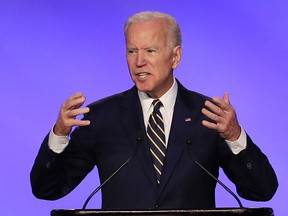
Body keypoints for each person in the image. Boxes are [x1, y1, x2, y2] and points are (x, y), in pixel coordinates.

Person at [30, 11, 278, 210]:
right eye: (131, 51)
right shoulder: (101, 117)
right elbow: (48, 190)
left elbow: (262, 191)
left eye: (150, 50)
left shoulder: (210, 117)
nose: (139, 62)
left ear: (175, 57)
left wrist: (235, 137)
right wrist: (59, 134)